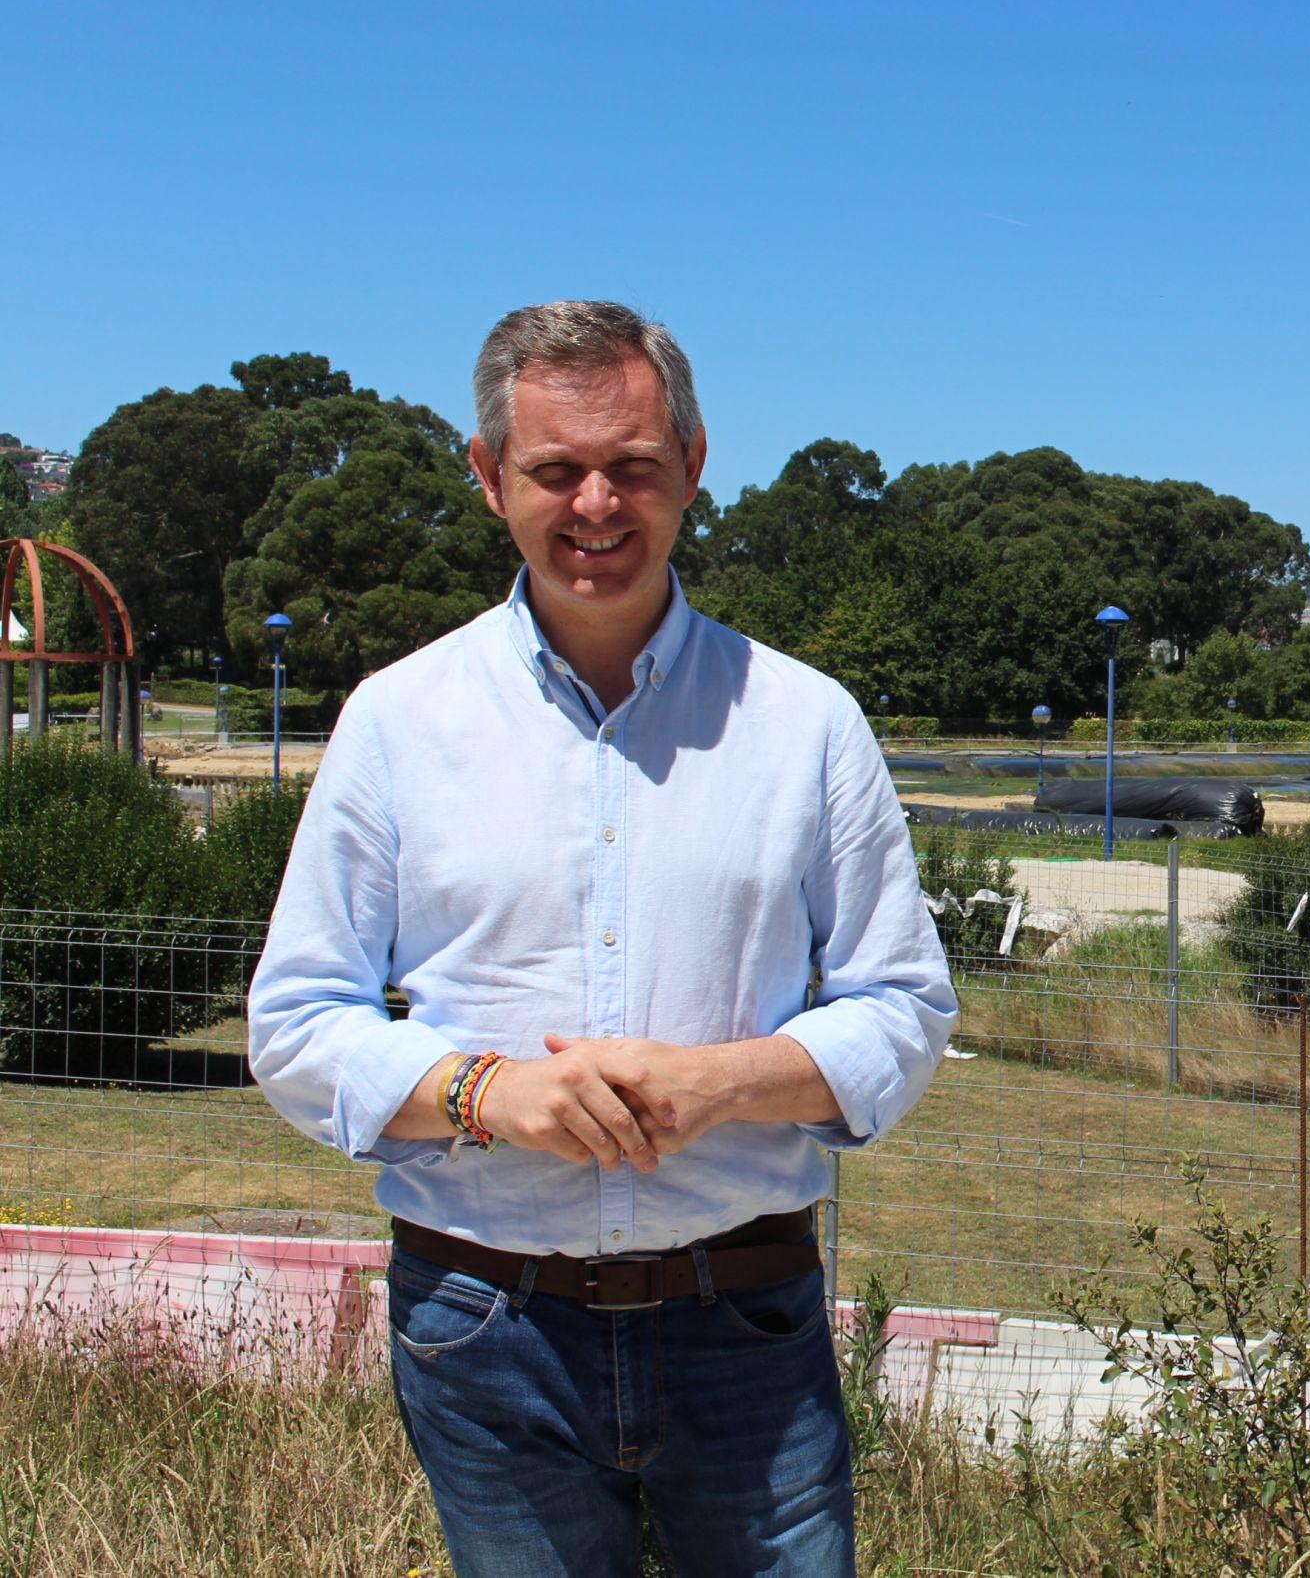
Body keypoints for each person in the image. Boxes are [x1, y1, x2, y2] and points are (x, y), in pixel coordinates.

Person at [248, 300, 956, 1576]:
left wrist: (719, 1084)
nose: (595, 505)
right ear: (487, 477)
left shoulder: (806, 724)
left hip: (744, 1319)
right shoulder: (397, 721)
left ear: (692, 464)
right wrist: (488, 1093)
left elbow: (903, 1008)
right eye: (554, 469)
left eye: (631, 465)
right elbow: (296, 1024)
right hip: (483, 1326)